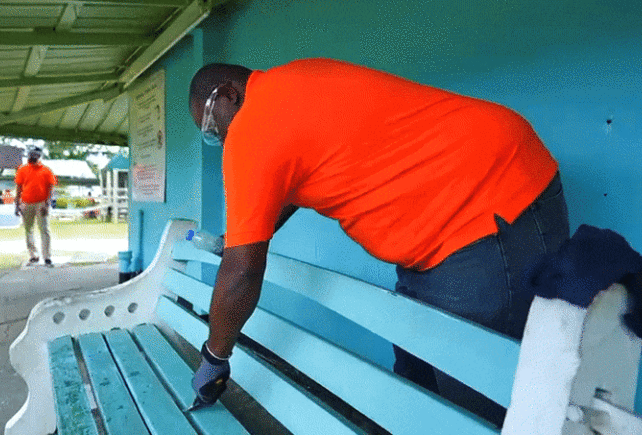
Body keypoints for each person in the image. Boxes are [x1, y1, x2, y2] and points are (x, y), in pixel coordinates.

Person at [186, 58, 570, 423]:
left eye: (210, 125)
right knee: (415, 381)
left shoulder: (252, 128)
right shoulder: (296, 78)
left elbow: (242, 271)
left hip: (487, 200)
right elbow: (292, 182)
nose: (217, 138)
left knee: (472, 398)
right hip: (445, 225)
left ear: (227, 94)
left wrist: (215, 357)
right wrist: (242, 236)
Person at [14, 146, 57, 267]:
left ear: (39, 156)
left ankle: (47, 256)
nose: (32, 156)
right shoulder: (22, 169)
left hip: (41, 202)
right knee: (28, 230)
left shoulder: (46, 170)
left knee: (44, 229)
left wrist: (47, 203)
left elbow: (50, 188)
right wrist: (17, 204)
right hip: (26, 202)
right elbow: (19, 187)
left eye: (35, 154)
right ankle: (33, 255)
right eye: (30, 154)